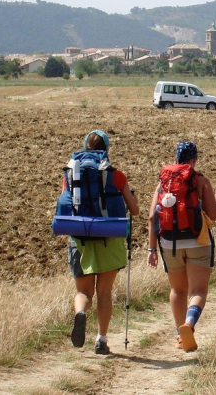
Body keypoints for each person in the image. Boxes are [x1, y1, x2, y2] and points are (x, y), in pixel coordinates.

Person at [59, 130, 139, 355]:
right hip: (109, 238)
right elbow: (134, 210)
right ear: (106, 149)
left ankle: (81, 312)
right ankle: (101, 340)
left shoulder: (71, 175)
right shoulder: (115, 176)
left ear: (84, 147)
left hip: (80, 239)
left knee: (84, 292)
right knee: (104, 292)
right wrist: (133, 199)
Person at [146, 141, 216, 352]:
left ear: (175, 159)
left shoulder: (164, 183)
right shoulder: (200, 180)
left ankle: (180, 336)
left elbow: (153, 216)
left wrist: (151, 249)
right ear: (194, 160)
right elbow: (214, 214)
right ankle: (189, 324)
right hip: (198, 242)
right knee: (198, 291)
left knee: (177, 290)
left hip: (168, 243)